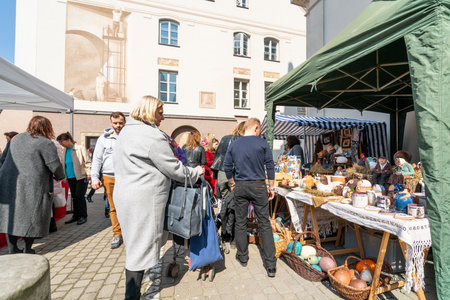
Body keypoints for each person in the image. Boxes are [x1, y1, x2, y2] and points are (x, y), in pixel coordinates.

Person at [113, 95, 204, 300]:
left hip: (126, 195)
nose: (163, 117)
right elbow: (174, 169)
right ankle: (132, 295)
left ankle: (138, 284)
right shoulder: (151, 135)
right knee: (139, 249)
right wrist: (196, 172)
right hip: (144, 200)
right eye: (160, 112)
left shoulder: (127, 131)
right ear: (149, 110)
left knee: (135, 244)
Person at [0, 116, 64, 254]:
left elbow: (3, 159)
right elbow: (54, 164)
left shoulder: (15, 139)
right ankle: (27, 249)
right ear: (47, 128)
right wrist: (60, 176)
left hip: (9, 183)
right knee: (32, 216)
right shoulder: (45, 143)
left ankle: (12, 249)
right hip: (33, 186)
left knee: (11, 217)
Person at [223, 118, 277, 278]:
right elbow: (269, 165)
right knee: (264, 224)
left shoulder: (234, 144)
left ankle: (243, 257)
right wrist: (271, 187)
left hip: (240, 186)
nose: (259, 132)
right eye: (259, 129)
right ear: (255, 127)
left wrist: (232, 184)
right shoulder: (262, 143)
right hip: (259, 185)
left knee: (241, 222)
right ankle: (271, 265)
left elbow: (227, 167)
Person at [91, 111, 126, 249]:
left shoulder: (129, 137)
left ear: (125, 122)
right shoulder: (103, 139)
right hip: (109, 177)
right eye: (115, 123)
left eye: (120, 123)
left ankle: (129, 233)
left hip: (126, 177)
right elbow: (97, 159)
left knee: (129, 206)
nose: (118, 125)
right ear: (111, 123)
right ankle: (117, 234)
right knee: (113, 207)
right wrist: (94, 178)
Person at [57, 132, 91, 225]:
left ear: (68, 140)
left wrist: (89, 174)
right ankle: (76, 216)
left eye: (61, 142)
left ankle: (83, 216)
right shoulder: (64, 151)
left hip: (81, 176)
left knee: (80, 196)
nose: (61, 144)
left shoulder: (80, 148)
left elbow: (88, 162)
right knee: (74, 197)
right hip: (70, 177)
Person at [210, 121, 245, 200]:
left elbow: (217, 157)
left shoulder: (224, 138)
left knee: (225, 201)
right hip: (235, 175)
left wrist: (215, 176)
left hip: (222, 174)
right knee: (238, 202)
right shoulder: (243, 140)